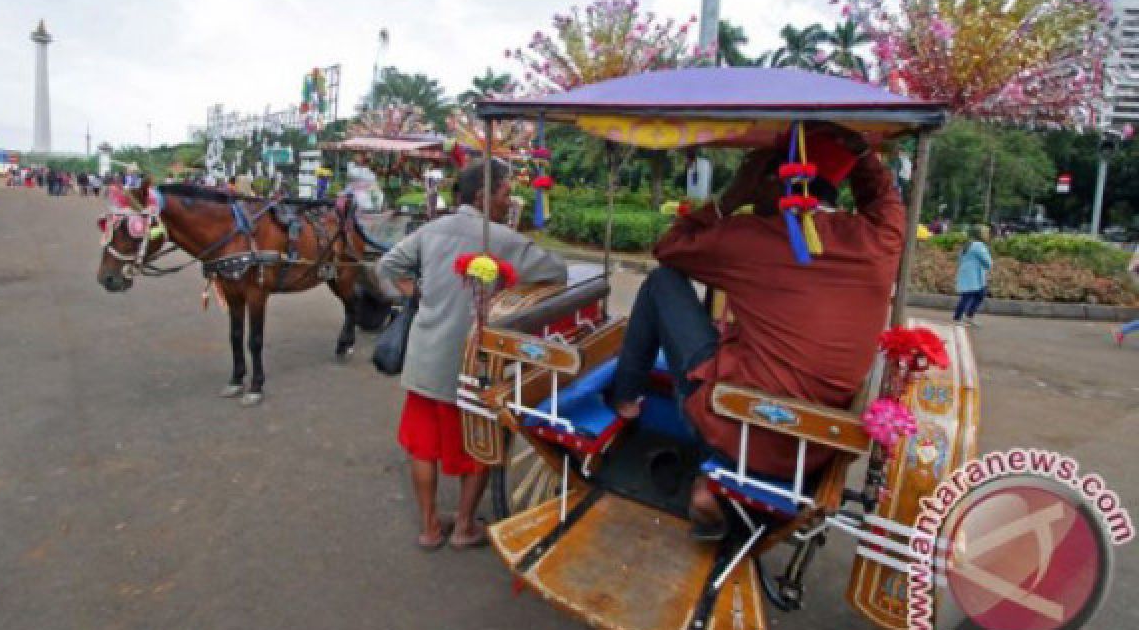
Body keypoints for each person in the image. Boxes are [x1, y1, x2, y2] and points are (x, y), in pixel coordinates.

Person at [610, 123, 906, 539]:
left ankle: (626, 399)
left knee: (661, 282)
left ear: (774, 180)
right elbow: (883, 199)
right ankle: (710, 488)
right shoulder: (880, 241)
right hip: (813, 448)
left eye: (756, 171)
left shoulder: (750, 235)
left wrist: (733, 197)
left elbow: (670, 248)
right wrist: (860, 155)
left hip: (736, 424)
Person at [378, 160, 567, 550]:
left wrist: (420, 294)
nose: (507, 200)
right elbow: (557, 271)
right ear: (483, 196)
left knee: (422, 444)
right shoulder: (499, 238)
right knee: (483, 445)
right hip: (473, 363)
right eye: (503, 193)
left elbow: (388, 265)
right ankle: (464, 526)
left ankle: (430, 528)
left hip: (425, 357)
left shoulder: (432, 229)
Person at [953, 226, 992, 326]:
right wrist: (989, 265)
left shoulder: (969, 243)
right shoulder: (979, 245)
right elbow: (987, 260)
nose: (988, 235)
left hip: (969, 274)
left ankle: (968, 317)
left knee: (977, 295)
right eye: (986, 233)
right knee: (969, 296)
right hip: (973, 275)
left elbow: (959, 258)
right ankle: (959, 318)